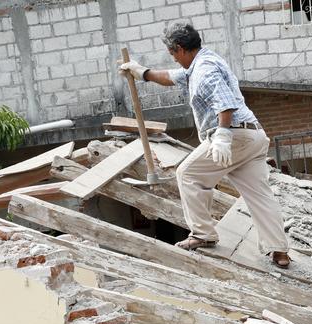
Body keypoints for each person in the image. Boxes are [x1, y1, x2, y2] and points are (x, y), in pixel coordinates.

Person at [118, 23, 291, 268]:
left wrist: (222, 135)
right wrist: (141, 71)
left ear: (179, 49)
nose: (174, 60)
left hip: (233, 137)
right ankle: (280, 251)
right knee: (259, 195)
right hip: (253, 136)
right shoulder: (202, 61)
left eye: (172, 54)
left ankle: (202, 234)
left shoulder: (205, 70)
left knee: (188, 174)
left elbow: (225, 102)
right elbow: (170, 77)